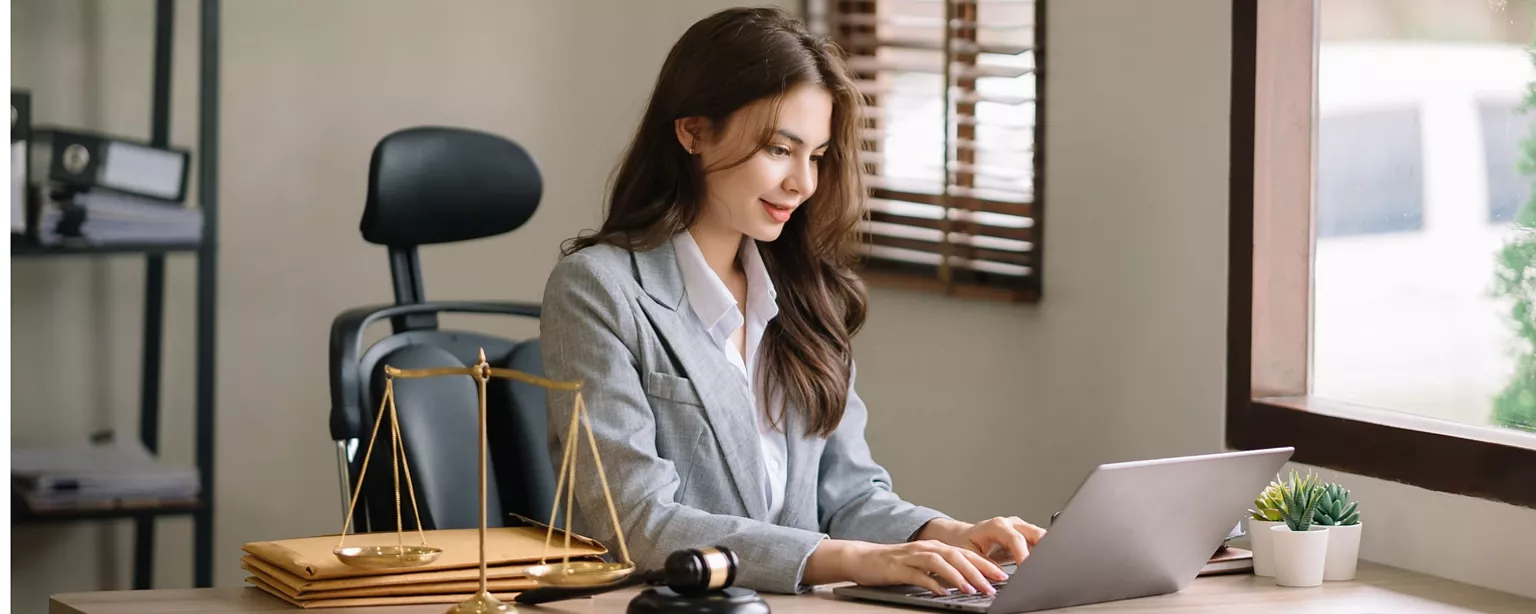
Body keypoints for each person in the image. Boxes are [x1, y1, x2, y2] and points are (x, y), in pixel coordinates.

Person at [538, 6, 1044, 596]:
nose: (803, 183)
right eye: (780, 149)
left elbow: (848, 493)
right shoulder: (598, 289)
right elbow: (635, 523)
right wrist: (851, 560)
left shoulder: (804, 293)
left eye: (817, 156)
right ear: (693, 132)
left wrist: (947, 534)